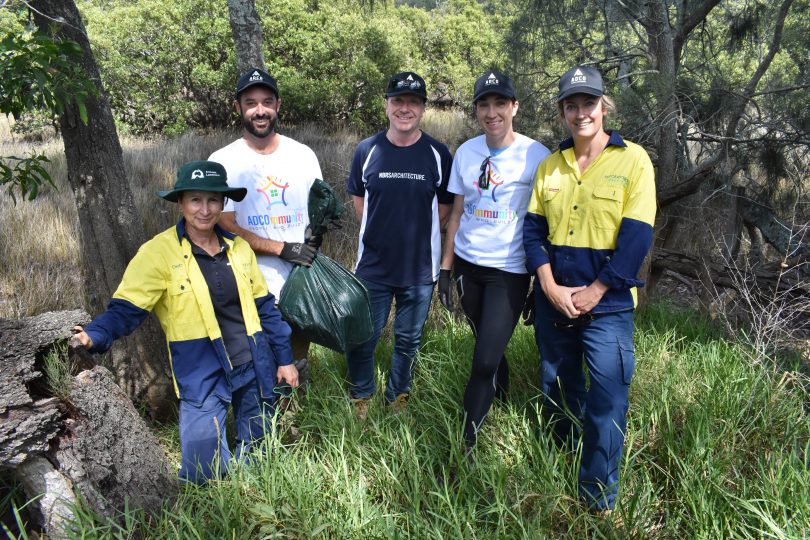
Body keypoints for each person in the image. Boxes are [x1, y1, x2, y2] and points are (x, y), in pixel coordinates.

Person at [72, 160, 299, 484]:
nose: (204, 209)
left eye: (212, 200)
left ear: (222, 203)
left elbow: (265, 308)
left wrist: (285, 359)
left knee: (258, 445)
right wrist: (95, 335)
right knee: (200, 473)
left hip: (252, 359)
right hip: (200, 365)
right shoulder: (158, 253)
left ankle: (247, 493)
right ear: (180, 202)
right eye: (195, 199)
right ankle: (214, 495)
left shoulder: (239, 249)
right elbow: (127, 308)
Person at [523, 66, 656, 511]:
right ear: (562, 112)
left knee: (607, 399)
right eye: (571, 105)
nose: (581, 113)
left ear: (604, 107)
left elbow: (636, 237)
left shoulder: (633, 160)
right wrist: (549, 285)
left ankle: (597, 496)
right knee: (558, 388)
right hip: (553, 301)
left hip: (609, 305)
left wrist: (597, 289)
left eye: (588, 104)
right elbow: (532, 233)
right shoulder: (549, 165)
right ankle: (555, 466)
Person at [439, 71, 550, 448]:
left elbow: (546, 222)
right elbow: (456, 213)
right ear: (476, 110)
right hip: (469, 266)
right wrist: (445, 268)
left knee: (483, 359)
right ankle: (499, 395)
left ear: (514, 106)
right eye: (484, 105)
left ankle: (467, 444)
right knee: (486, 339)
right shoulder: (466, 153)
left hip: (510, 271)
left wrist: (542, 279)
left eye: (500, 103)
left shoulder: (537, 156)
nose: (492, 112)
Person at [345, 71, 453, 415]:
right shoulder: (367, 149)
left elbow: (445, 208)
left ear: (422, 108)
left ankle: (398, 396)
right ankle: (362, 394)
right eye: (398, 101)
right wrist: (382, 233)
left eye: (413, 102)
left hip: (419, 269)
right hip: (373, 266)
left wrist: (413, 236)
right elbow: (359, 201)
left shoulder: (437, 153)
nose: (405, 108)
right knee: (364, 334)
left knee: (408, 339)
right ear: (387, 105)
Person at [209, 68, 323, 366]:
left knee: (297, 361)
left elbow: (317, 211)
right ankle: (266, 412)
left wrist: (315, 237)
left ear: (278, 105)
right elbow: (224, 223)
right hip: (249, 285)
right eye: (251, 103)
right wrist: (283, 249)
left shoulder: (303, 155)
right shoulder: (223, 161)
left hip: (300, 284)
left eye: (267, 102)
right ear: (238, 108)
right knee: (258, 362)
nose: (260, 111)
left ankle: (296, 412)